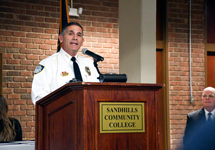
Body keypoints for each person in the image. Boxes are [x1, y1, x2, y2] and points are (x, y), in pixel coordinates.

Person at [31, 22, 99, 104]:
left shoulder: (89, 63)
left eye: (79, 35)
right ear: (61, 38)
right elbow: (39, 96)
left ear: (82, 41)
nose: (75, 37)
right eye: (71, 34)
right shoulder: (48, 64)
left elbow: (97, 91)